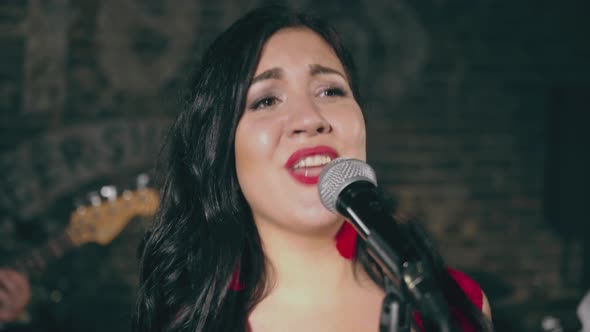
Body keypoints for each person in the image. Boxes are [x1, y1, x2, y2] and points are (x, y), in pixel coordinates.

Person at [133, 5, 493, 332]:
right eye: (266, 100)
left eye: (330, 92)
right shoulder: (185, 323)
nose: (309, 119)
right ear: (224, 146)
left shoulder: (456, 305)